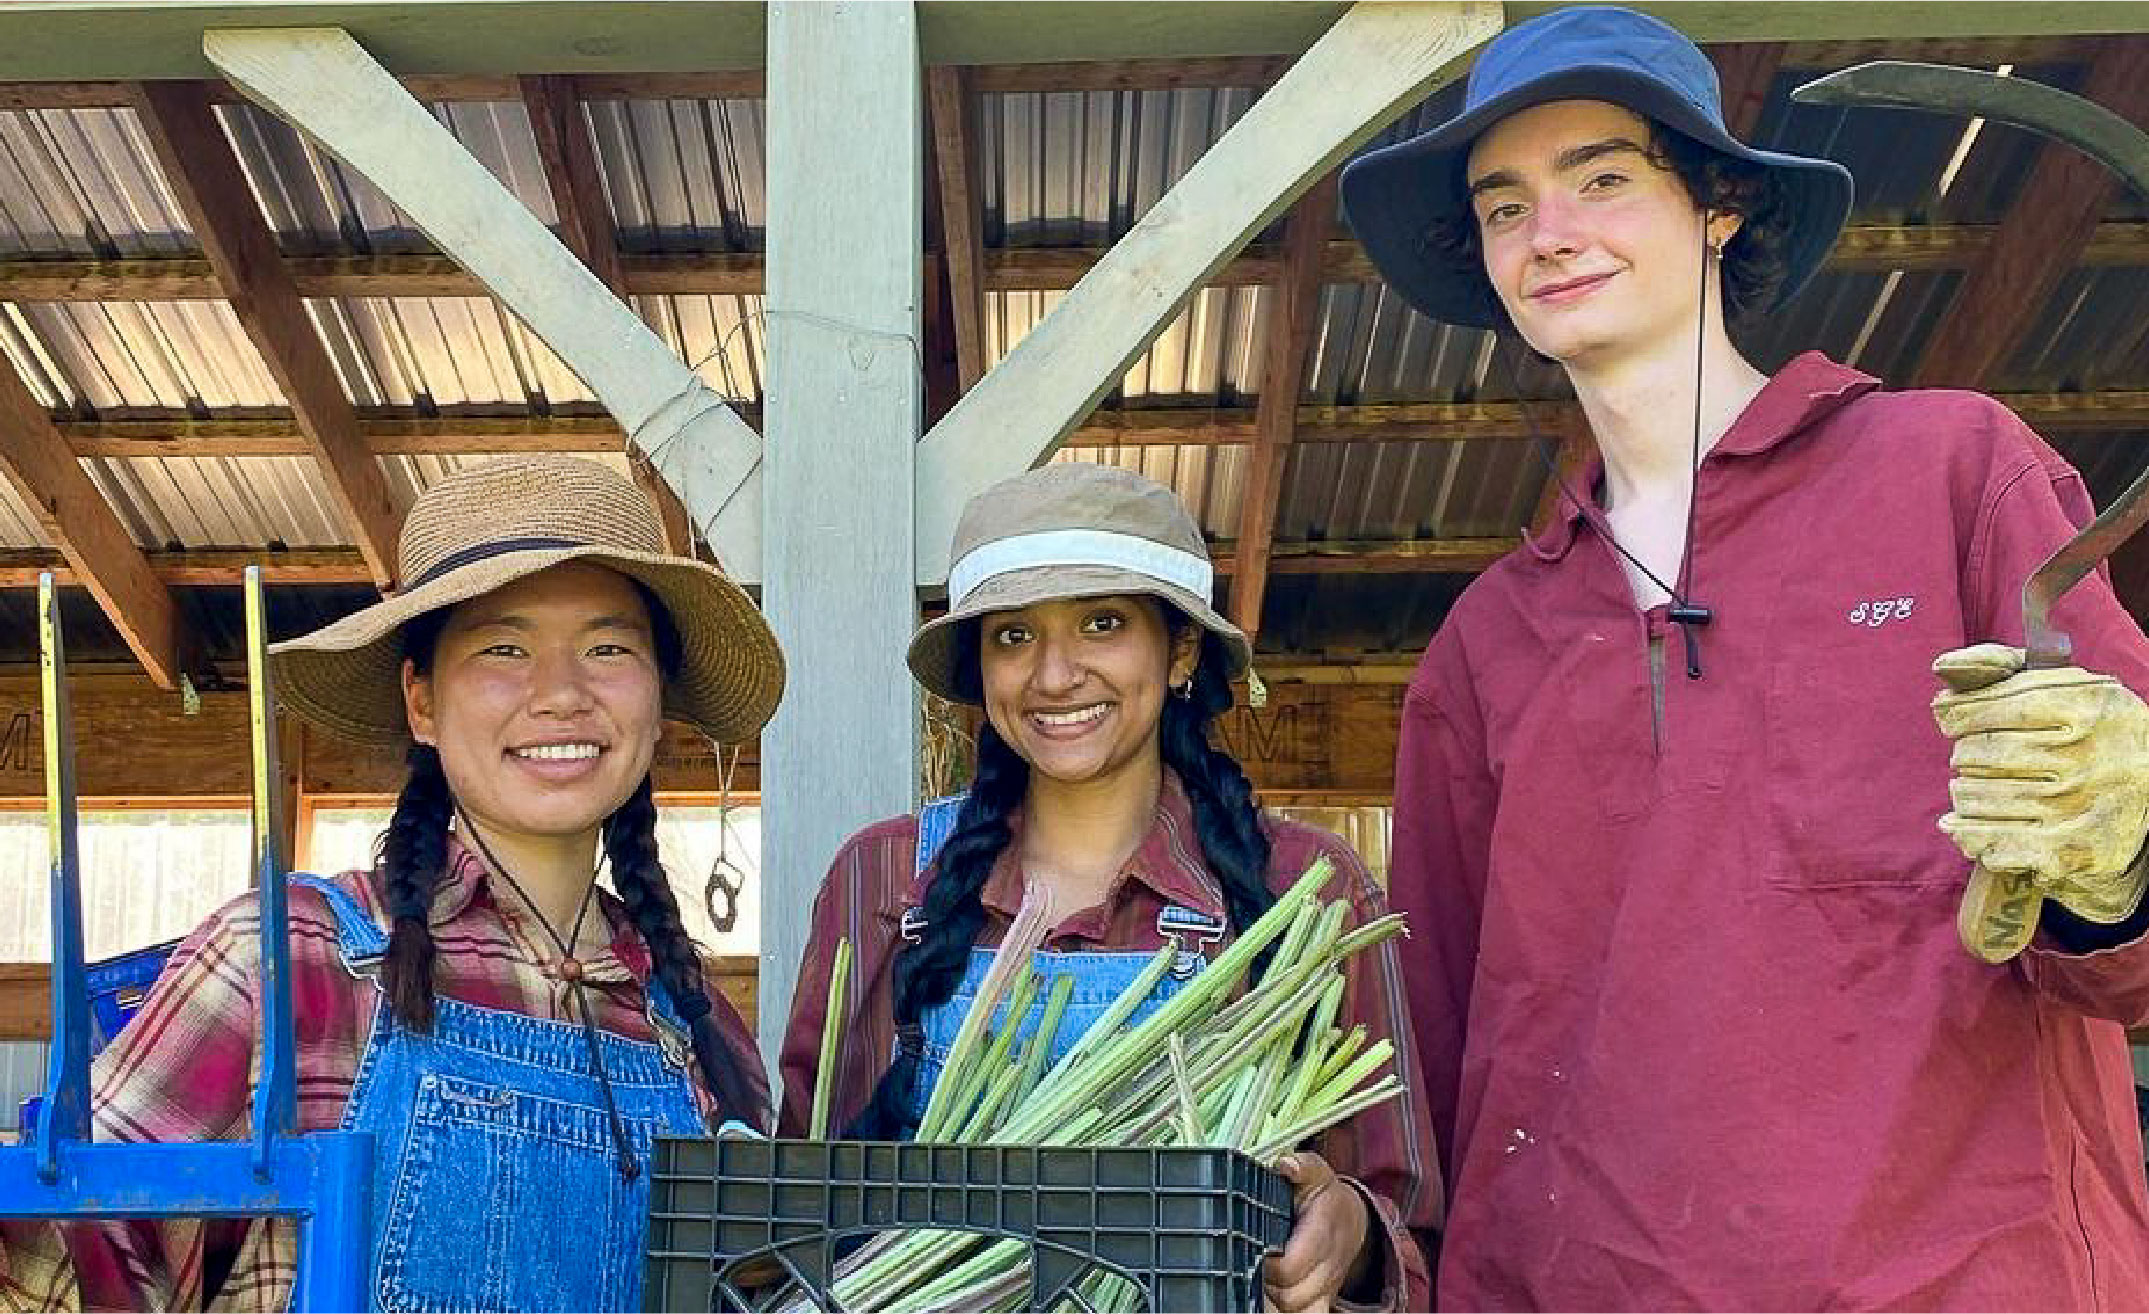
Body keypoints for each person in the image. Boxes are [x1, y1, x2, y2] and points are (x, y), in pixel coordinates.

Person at [1338, 7, 2149, 1308]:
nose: (1549, 232)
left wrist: (2116, 854)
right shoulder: (1484, 646)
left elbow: (2123, 933)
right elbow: (1431, 1065)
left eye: (1602, 177)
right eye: (1503, 205)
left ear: (1716, 205)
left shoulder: (1949, 471)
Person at [0, 456, 786, 1312]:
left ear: (656, 703)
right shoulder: (289, 958)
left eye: (609, 647)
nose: (562, 692)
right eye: (503, 648)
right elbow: (75, 1276)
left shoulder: (691, 1026)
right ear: (421, 701)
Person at [778, 463, 1443, 1312]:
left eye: (1102, 623)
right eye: (1012, 635)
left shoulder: (1304, 892)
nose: (1055, 675)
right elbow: (795, 1189)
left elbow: (1405, 1219)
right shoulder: (884, 875)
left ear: (1182, 652)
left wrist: (1346, 1228)